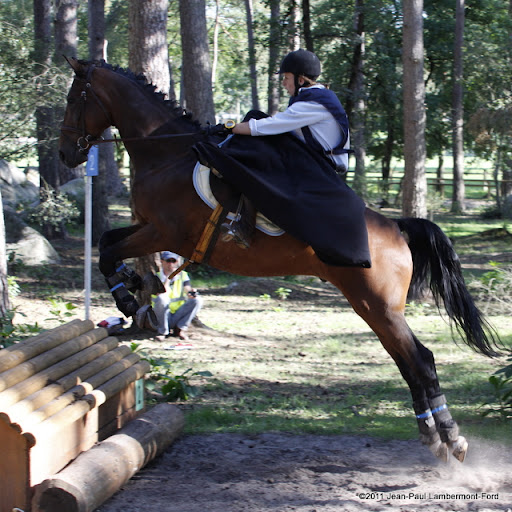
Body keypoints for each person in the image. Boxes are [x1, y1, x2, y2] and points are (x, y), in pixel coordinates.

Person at [220, 49, 351, 249]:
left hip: (322, 167)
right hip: (313, 158)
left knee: (258, 145)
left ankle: (246, 225)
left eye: (287, 78)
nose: (283, 83)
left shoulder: (313, 103)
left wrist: (229, 127)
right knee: (257, 121)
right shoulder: (312, 97)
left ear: (301, 79)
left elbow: (268, 126)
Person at [152, 251, 203, 343]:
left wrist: (191, 293)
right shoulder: (156, 277)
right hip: (162, 316)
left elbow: (187, 288)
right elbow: (160, 294)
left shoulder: (183, 275)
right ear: (162, 261)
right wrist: (168, 278)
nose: (170, 264)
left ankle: (180, 329)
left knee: (197, 300)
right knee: (161, 299)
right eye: (168, 261)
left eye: (173, 261)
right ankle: (163, 332)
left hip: (178, 314)